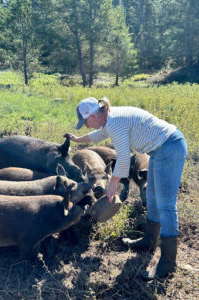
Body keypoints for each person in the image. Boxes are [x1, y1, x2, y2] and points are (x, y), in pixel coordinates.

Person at [66, 96, 187, 280]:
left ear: (93, 115)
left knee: (166, 204)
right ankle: (149, 241)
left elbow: (123, 158)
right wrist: (77, 140)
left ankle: (168, 263)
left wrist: (112, 184)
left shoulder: (114, 121)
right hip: (159, 149)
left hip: (170, 147)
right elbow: (96, 135)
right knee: (152, 197)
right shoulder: (109, 118)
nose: (87, 126)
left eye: (86, 122)